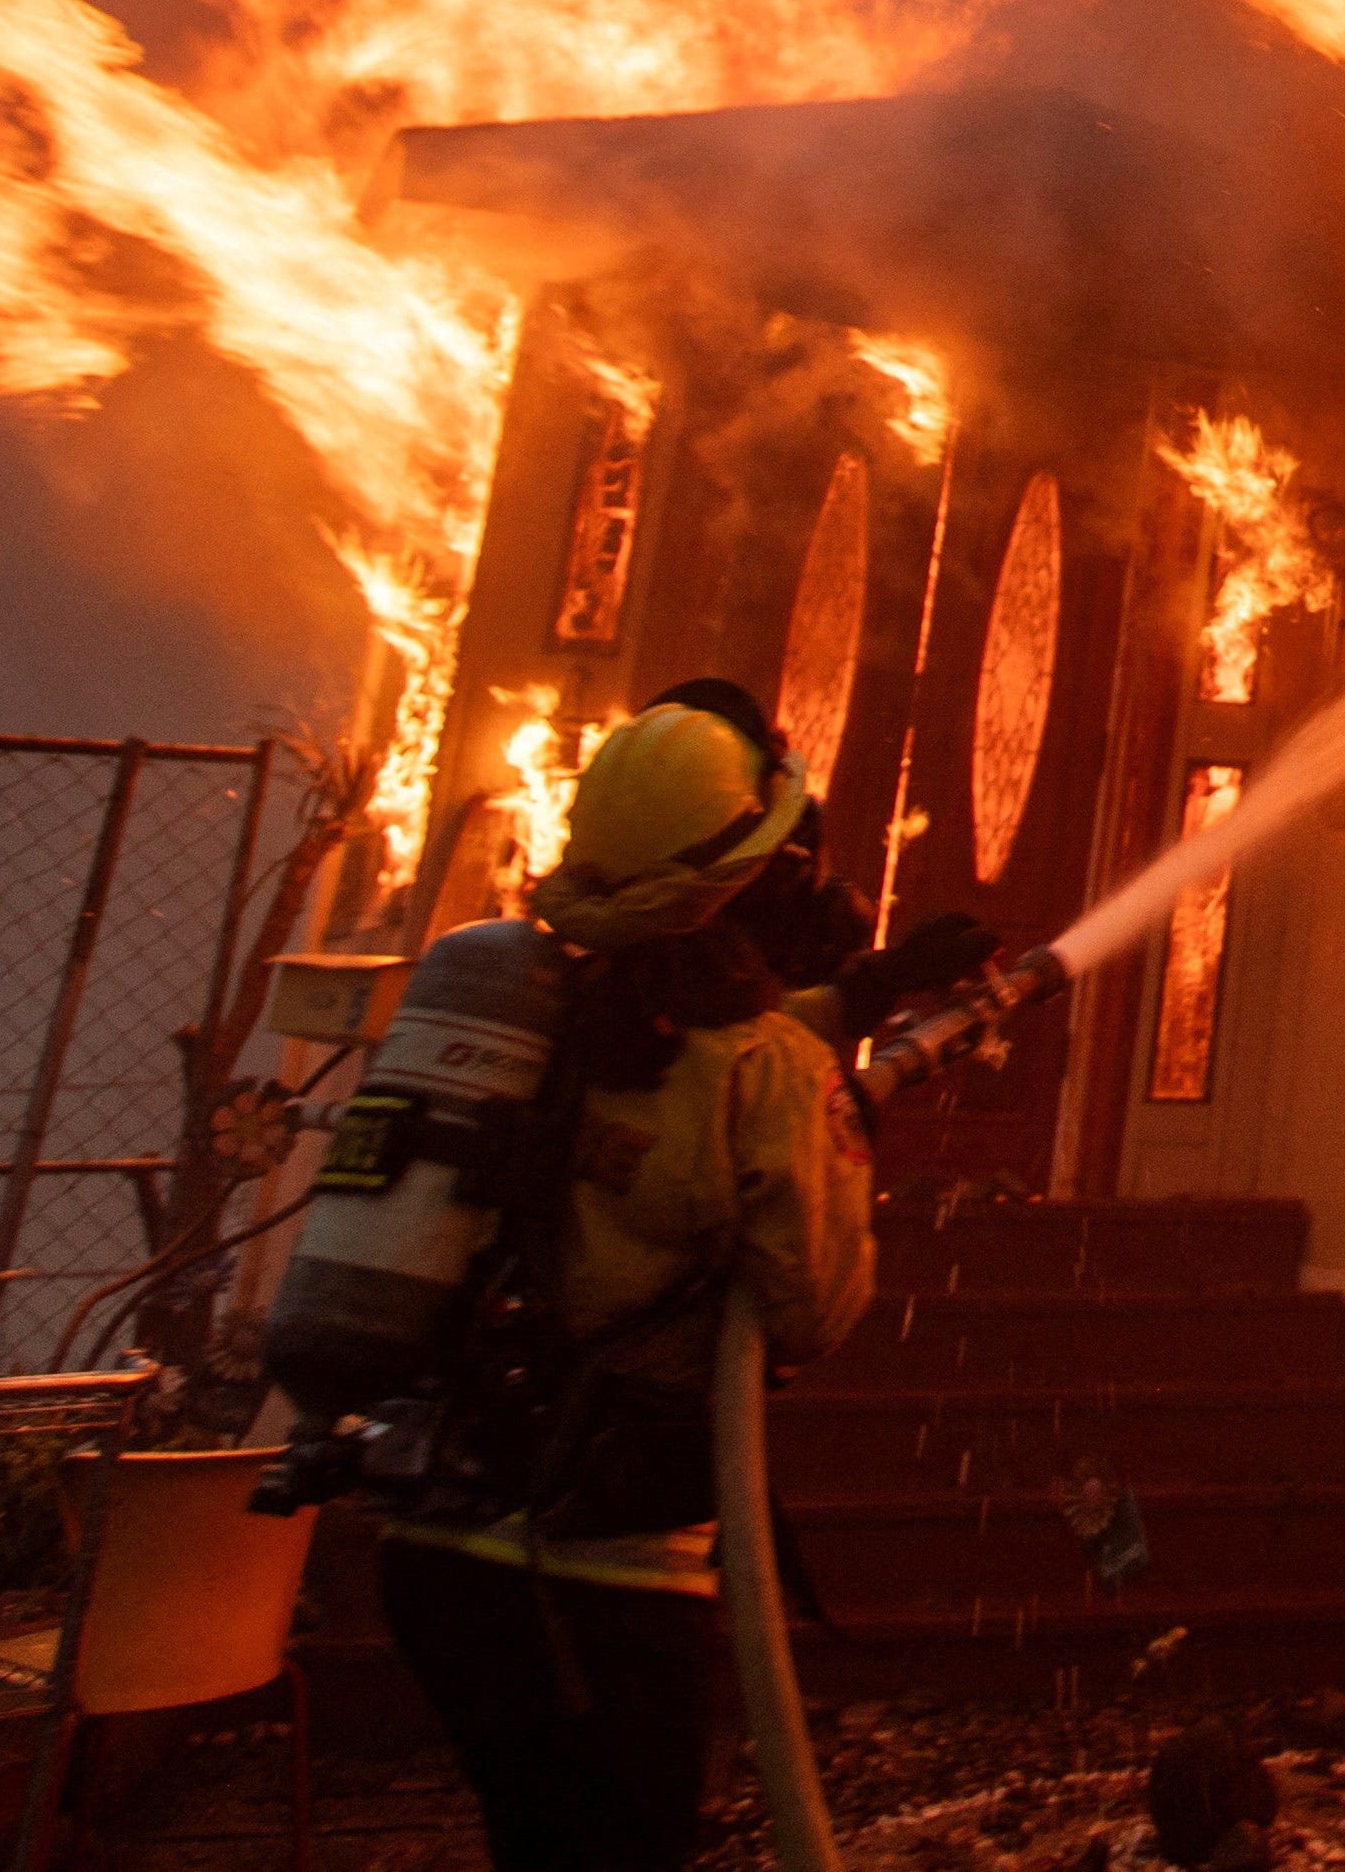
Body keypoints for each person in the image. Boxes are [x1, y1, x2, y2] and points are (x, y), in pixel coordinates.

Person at [366, 680, 986, 1872]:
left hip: (441, 1550)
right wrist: (829, 1123)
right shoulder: (763, 1077)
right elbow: (811, 1309)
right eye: (787, 858)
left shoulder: (527, 1001)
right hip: (605, 1576)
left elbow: (664, 1058)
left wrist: (867, 990)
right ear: (744, 878)